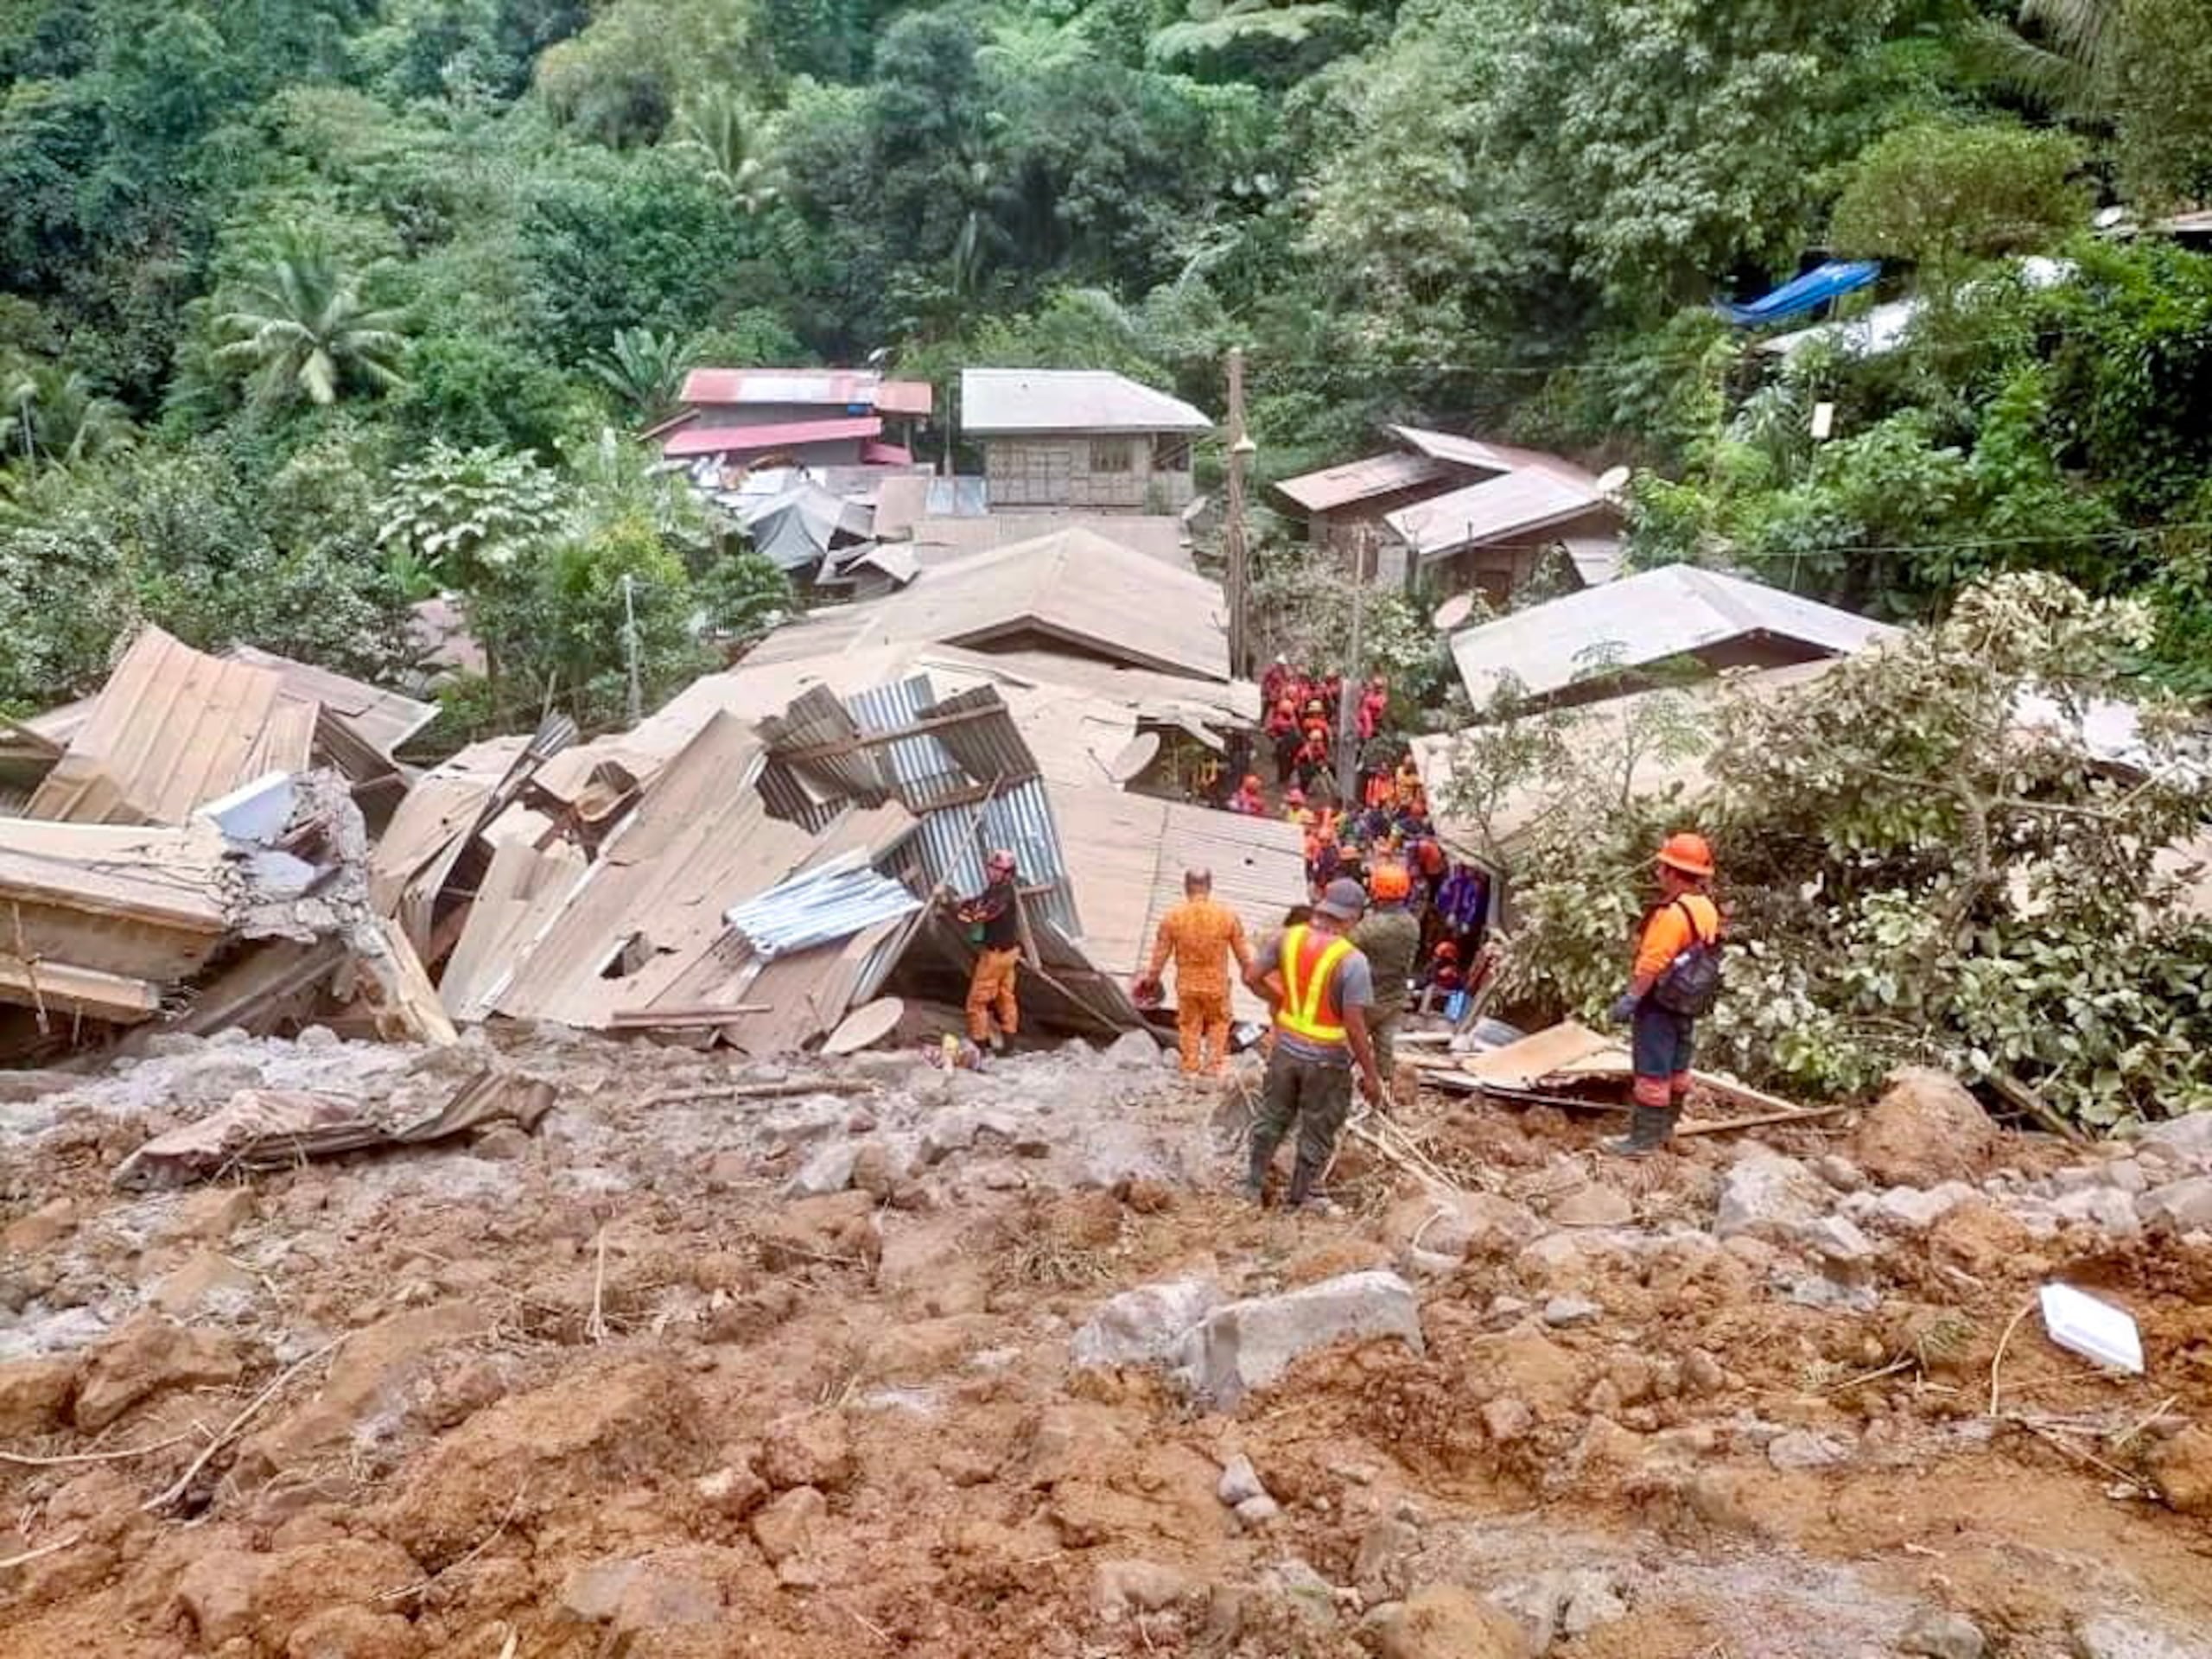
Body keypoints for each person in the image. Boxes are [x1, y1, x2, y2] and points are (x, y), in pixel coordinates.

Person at [1242, 877, 1385, 1210]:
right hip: (1327, 1060)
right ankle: (1302, 1195)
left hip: (1285, 1049)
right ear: (1353, 918)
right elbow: (1354, 1025)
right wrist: (1371, 1075)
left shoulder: (1287, 938)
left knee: (1272, 1116)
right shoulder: (1352, 961)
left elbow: (1251, 977)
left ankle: (1252, 1185)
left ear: (1323, 905)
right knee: (1318, 1125)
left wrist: (1279, 999)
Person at [1606, 832, 1722, 1158]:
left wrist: (1632, 998)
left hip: (1660, 1001)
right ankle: (1666, 1130)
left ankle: (1642, 1142)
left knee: (1653, 1069)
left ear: (1674, 873)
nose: (1658, 873)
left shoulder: (1672, 915)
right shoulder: (1706, 908)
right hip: (1689, 1000)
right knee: (1677, 1067)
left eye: (1662, 867)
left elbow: (1653, 964)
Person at [1135, 868, 1255, 1077]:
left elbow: (1159, 955)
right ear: (1209, 886)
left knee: (1189, 1024)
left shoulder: (1173, 917)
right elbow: (1243, 955)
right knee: (1219, 1022)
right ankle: (1213, 1066)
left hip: (1187, 985)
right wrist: (1250, 976)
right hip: (1216, 985)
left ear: (1186, 886)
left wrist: (1151, 981)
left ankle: (1190, 1067)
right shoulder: (1227, 916)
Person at [1350, 861, 1422, 1087]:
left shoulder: (1371, 927)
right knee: (1384, 1049)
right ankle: (1385, 1091)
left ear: (1376, 890)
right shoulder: (1412, 924)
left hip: (1367, 998)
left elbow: (1344, 947)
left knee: (1348, 1045)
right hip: (1395, 996)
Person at [953, 849, 1024, 1055]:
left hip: (996, 955)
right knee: (1004, 997)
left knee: (976, 1002)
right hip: (1009, 953)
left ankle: (980, 1047)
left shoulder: (1003, 894)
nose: (990, 872)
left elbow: (986, 913)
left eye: (996, 869)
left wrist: (964, 915)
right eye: (990, 867)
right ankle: (1009, 1044)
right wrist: (963, 904)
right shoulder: (997, 889)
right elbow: (980, 902)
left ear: (1007, 873)